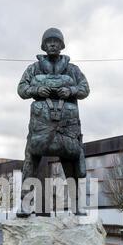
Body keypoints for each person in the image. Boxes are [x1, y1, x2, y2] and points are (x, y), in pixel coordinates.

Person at [17, 28, 90, 216]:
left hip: (67, 124)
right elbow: (21, 89)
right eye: (48, 41)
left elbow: (85, 89)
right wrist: (36, 90)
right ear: (43, 45)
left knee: (72, 161)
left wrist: (71, 91)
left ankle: (77, 204)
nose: (52, 44)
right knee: (31, 160)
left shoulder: (73, 70)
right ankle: (25, 203)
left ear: (61, 45)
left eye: (56, 41)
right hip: (41, 123)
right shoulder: (34, 68)